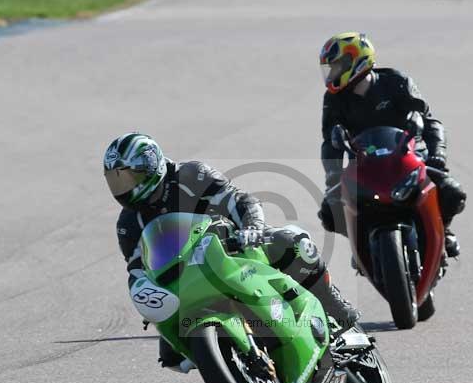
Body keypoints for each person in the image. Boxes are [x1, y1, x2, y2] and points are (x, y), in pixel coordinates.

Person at [103, 132, 360, 370]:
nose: (123, 188)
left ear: (149, 166)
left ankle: (333, 306)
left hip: (235, 249)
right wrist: (147, 295)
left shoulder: (191, 175)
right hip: (187, 280)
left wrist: (251, 227)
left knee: (294, 242)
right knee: (170, 352)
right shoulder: (128, 225)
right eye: (116, 181)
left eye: (128, 177)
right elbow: (139, 270)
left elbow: (239, 200)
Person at [317, 32, 466, 257]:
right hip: (366, 168)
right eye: (330, 68)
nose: (332, 74)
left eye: (337, 66)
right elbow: (330, 142)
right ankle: (364, 243)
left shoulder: (396, 82)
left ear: (355, 61)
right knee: (329, 213)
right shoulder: (334, 100)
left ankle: (443, 231)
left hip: (410, 159)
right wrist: (333, 178)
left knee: (453, 193)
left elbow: (431, 122)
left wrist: (438, 155)